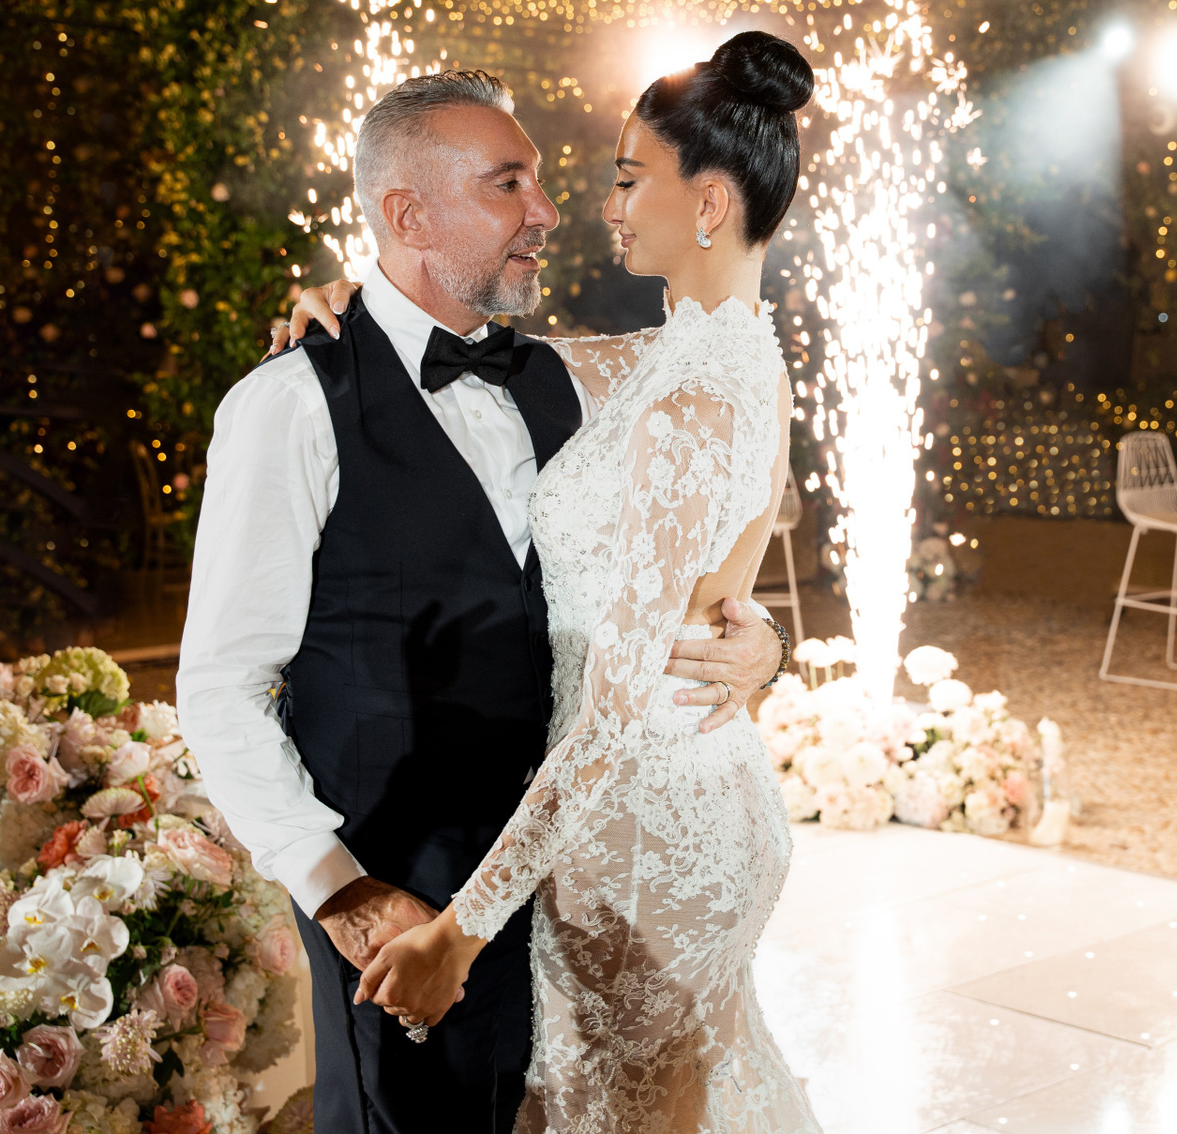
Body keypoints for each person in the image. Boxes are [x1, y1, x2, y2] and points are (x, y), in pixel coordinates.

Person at [177, 64, 793, 1134]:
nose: (551, 211)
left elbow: (703, 518)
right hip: (403, 900)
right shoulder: (291, 405)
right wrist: (337, 888)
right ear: (407, 213)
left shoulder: (568, 378)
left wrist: (759, 640)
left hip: (580, 871)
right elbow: (222, 687)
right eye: (509, 184)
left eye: (550, 181)